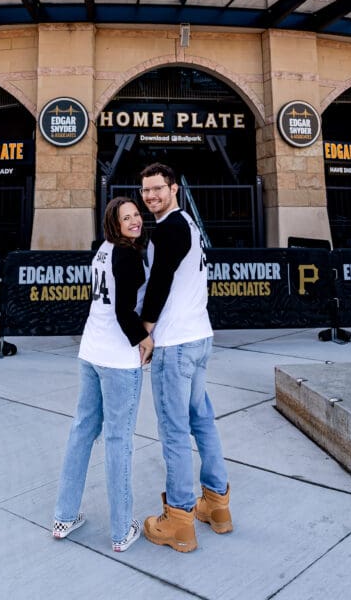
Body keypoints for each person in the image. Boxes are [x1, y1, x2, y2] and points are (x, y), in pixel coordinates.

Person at [139, 162, 231, 554]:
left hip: (176, 343)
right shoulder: (189, 224)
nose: (150, 196)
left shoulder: (171, 228)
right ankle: (217, 505)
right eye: (145, 191)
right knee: (202, 420)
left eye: (158, 188)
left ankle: (178, 521)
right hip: (199, 338)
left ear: (173, 188)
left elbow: (158, 282)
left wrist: (145, 330)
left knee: (176, 430)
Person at [52, 197, 153, 552]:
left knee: (81, 430)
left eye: (136, 215)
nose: (135, 221)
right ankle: (122, 529)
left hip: (90, 351)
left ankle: (64, 516)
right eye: (127, 218)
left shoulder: (102, 251)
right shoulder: (126, 254)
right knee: (118, 440)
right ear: (114, 223)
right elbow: (126, 311)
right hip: (116, 359)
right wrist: (144, 338)